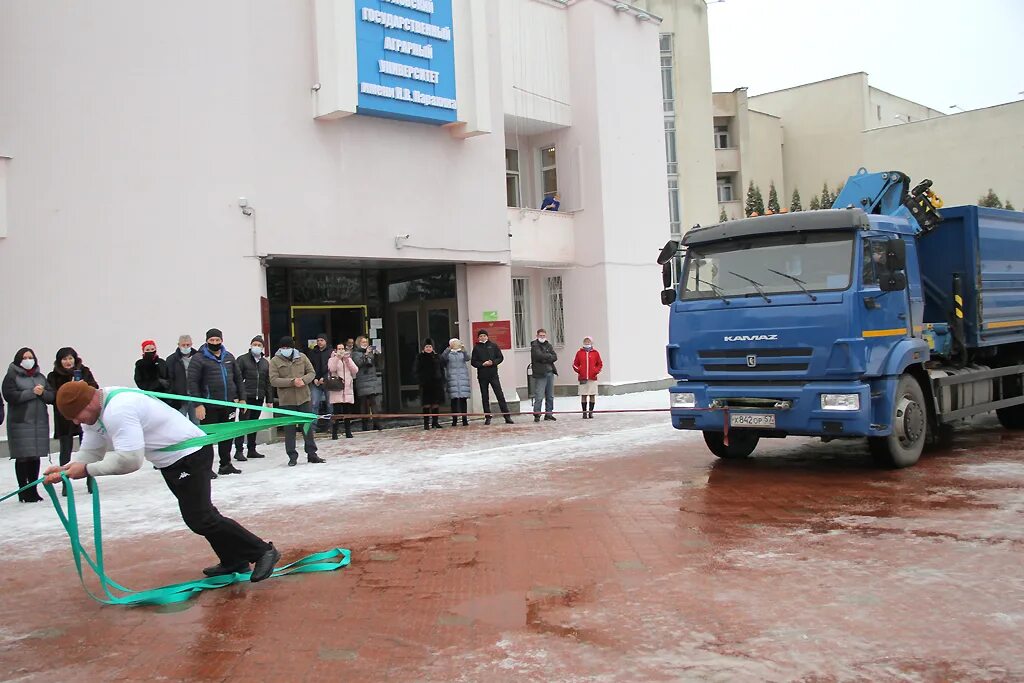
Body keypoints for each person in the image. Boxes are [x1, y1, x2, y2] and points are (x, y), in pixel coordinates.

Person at [45, 382, 280, 581]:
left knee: (200, 518)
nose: (77, 422)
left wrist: (86, 470)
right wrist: (66, 470)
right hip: (171, 461)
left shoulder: (118, 410)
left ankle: (262, 551)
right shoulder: (96, 414)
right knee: (203, 515)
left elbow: (130, 461)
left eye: (76, 416)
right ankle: (234, 559)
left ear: (88, 403)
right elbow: (92, 452)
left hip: (190, 455)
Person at [188, 329, 244, 476]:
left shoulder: (229, 357)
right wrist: (198, 405)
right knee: (209, 438)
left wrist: (241, 397)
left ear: (221, 340)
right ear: (207, 341)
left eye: (217, 340)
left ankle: (225, 465)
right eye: (212, 341)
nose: (215, 343)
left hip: (228, 404)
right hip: (208, 405)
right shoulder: (198, 359)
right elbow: (192, 382)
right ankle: (206, 468)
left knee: (227, 436)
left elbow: (238, 378)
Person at [3, 348, 55, 503]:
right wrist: (31, 392)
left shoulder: (40, 377)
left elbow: (51, 395)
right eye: (25, 357)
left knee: (34, 456)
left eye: (30, 357)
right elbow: (10, 395)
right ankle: (23, 490)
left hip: (38, 423)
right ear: (19, 360)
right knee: (22, 458)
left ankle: (33, 489)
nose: (28, 360)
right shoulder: (11, 377)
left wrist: (43, 393)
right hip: (21, 422)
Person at [46, 347, 99, 496]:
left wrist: (82, 386)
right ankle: (65, 483)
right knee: (65, 451)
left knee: (88, 449)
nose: (68, 362)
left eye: (70, 358)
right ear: (59, 361)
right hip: (64, 417)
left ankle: (90, 481)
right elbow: (52, 396)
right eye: (64, 359)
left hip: (84, 415)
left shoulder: (84, 371)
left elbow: (95, 387)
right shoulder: (53, 376)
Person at [268, 336, 325, 466]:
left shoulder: (302, 357)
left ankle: (312, 454)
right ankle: (292, 456)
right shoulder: (275, 361)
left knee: (307, 427)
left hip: (304, 398)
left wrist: (303, 380)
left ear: (293, 347)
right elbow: (273, 380)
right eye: (283, 348)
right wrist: (292, 382)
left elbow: (311, 372)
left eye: (288, 347)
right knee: (289, 430)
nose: (285, 350)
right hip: (287, 400)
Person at [233, 335, 270, 461]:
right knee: (243, 424)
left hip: (258, 397)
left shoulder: (265, 363)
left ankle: (252, 449)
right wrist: (237, 396)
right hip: (246, 397)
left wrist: (269, 399)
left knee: (254, 424)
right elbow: (236, 379)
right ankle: (238, 450)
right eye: (255, 344)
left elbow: (267, 382)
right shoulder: (243, 360)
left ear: (263, 347)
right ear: (250, 345)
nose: (257, 347)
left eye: (259, 345)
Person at [471, 330, 514, 425]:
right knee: (485, 396)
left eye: (484, 336)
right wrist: (482, 364)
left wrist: (493, 362)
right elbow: (473, 362)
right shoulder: (476, 348)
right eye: (481, 336)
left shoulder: (493, 346)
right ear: (478, 338)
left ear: (487, 336)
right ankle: (487, 416)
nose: (482, 337)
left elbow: (500, 357)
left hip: (493, 374)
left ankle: (507, 416)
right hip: (482, 375)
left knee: (499, 394)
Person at [351, 335, 384, 432]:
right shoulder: (355, 353)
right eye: (363, 342)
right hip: (362, 380)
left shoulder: (370, 352)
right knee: (364, 404)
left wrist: (378, 354)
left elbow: (377, 364)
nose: (365, 344)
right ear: (358, 343)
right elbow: (358, 364)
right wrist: (366, 354)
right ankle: (364, 425)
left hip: (372, 380)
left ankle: (377, 424)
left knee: (374, 403)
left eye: (366, 342)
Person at [327, 342, 359, 440]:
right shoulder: (332, 359)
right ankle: (334, 432)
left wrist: (347, 359)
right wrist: (337, 358)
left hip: (347, 388)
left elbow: (355, 370)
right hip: (337, 388)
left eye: (342, 349)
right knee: (336, 412)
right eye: (339, 349)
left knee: (347, 412)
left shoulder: (348, 359)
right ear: (336, 350)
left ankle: (348, 431)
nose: (341, 350)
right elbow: (331, 368)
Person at [167, 335, 199, 424]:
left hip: (196, 398)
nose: (186, 347)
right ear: (178, 345)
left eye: (188, 345)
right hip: (180, 398)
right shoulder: (171, 359)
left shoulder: (198, 358)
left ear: (191, 344)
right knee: (179, 423)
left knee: (197, 424)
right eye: (183, 345)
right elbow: (170, 379)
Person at [414, 339, 446, 430]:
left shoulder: (437, 357)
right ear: (424, 348)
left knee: (435, 403)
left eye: (430, 347)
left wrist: (442, 379)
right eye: (427, 347)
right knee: (426, 404)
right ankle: (426, 423)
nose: (428, 348)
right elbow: (416, 370)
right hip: (426, 384)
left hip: (436, 383)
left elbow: (441, 368)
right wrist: (420, 380)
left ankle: (435, 422)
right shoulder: (420, 357)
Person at [305, 333, 333, 433]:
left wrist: (324, 378)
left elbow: (331, 368)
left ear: (326, 341)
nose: (320, 342)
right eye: (318, 340)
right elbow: (309, 367)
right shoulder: (312, 353)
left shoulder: (331, 352)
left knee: (330, 405)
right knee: (314, 404)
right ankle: (313, 428)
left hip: (328, 382)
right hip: (315, 382)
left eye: (322, 340)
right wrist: (314, 379)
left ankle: (331, 426)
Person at [441, 338, 471, 427]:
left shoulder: (462, 352)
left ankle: (464, 419)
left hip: (462, 378)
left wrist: (463, 349)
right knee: (454, 401)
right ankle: (454, 420)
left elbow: (468, 358)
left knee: (463, 400)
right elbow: (442, 358)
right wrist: (448, 348)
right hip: (452, 378)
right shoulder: (448, 353)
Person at [530, 329, 559, 422]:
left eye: (543, 335)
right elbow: (538, 356)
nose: (542, 337)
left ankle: (549, 413)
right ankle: (537, 414)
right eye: (540, 335)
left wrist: (546, 357)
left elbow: (555, 357)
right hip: (540, 373)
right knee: (539, 395)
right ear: (537, 335)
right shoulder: (535, 345)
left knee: (550, 395)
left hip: (550, 372)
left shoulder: (548, 345)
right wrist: (548, 356)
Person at [572, 336, 604, 419]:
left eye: (588, 342)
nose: (587, 343)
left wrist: (595, 371)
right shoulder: (579, 353)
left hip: (592, 377)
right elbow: (575, 364)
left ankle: (591, 412)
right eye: (585, 342)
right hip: (583, 378)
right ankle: (584, 412)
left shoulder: (595, 353)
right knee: (584, 395)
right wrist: (579, 370)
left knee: (592, 395)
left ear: (591, 343)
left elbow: (599, 364)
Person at [134, 340, 172, 406]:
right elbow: (139, 382)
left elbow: (169, 377)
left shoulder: (161, 362)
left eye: (152, 349)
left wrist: (167, 385)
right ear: (143, 351)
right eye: (147, 350)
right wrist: (157, 383)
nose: (150, 351)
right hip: (149, 397)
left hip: (164, 398)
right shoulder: (140, 364)